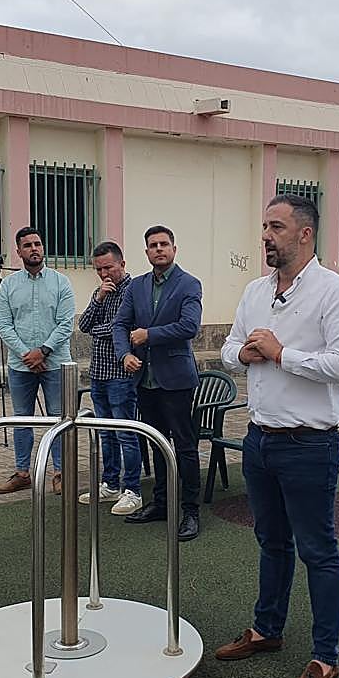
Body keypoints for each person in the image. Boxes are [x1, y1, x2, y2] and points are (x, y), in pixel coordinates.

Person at [214, 194, 339, 678]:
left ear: (305, 233)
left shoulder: (337, 294)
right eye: (263, 226)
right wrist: (248, 352)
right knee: (271, 541)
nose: (265, 236)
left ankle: (326, 657)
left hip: (309, 444)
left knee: (318, 551)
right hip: (259, 440)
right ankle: (266, 629)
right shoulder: (256, 291)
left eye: (276, 227)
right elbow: (228, 349)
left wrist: (282, 355)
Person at [113, 225, 203, 541]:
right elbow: (121, 324)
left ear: (174, 249)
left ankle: (190, 511)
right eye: (153, 245)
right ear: (147, 252)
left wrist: (149, 335)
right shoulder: (136, 286)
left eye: (164, 244)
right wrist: (125, 354)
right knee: (156, 443)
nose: (159, 249)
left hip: (176, 380)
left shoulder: (189, 284)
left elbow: (189, 326)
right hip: (145, 380)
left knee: (184, 446)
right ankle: (162, 504)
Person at [0, 226, 75, 495]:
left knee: (59, 419)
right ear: (18, 251)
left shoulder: (61, 282)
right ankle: (22, 473)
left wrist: (44, 351)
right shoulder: (8, 285)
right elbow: (3, 325)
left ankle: (61, 472)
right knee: (21, 419)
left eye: (37, 243)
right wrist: (28, 355)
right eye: (27, 245)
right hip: (21, 366)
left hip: (55, 363)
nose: (34, 249)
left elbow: (66, 324)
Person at [77, 241, 142, 516]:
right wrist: (98, 299)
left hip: (121, 373)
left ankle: (133, 490)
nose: (105, 274)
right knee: (105, 432)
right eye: (99, 269)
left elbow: (123, 329)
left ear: (122, 264)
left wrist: (106, 329)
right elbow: (83, 326)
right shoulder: (100, 292)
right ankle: (110, 483)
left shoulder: (135, 291)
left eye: (109, 267)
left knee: (126, 433)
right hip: (99, 373)